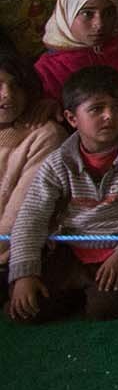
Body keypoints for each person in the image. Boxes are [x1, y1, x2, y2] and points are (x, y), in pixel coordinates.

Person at [6, 65, 118, 322]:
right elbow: (32, 216)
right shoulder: (58, 162)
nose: (109, 116)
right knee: (26, 310)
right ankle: (76, 288)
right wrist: (24, 273)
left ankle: (117, 289)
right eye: (96, 109)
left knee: (103, 310)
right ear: (72, 118)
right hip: (71, 249)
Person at [0, 52, 64, 268]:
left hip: (12, 256)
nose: (7, 94)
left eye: (17, 86)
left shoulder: (45, 135)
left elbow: (18, 219)